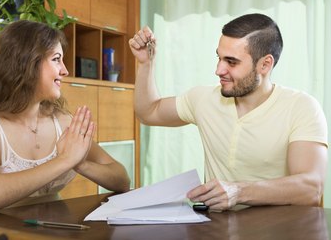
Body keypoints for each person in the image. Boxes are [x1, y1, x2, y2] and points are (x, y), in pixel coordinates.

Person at [129, 13, 328, 211]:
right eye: (219, 58)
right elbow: (149, 112)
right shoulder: (203, 99)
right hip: (216, 229)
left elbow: (310, 189)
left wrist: (238, 192)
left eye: (231, 62)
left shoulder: (302, 107)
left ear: (265, 64)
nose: (219, 70)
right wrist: (146, 63)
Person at [0, 20, 130, 214]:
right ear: (26, 62)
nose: (65, 71)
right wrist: (65, 161)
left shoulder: (62, 121)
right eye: (57, 59)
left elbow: (122, 179)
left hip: (58, 230)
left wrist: (81, 164)